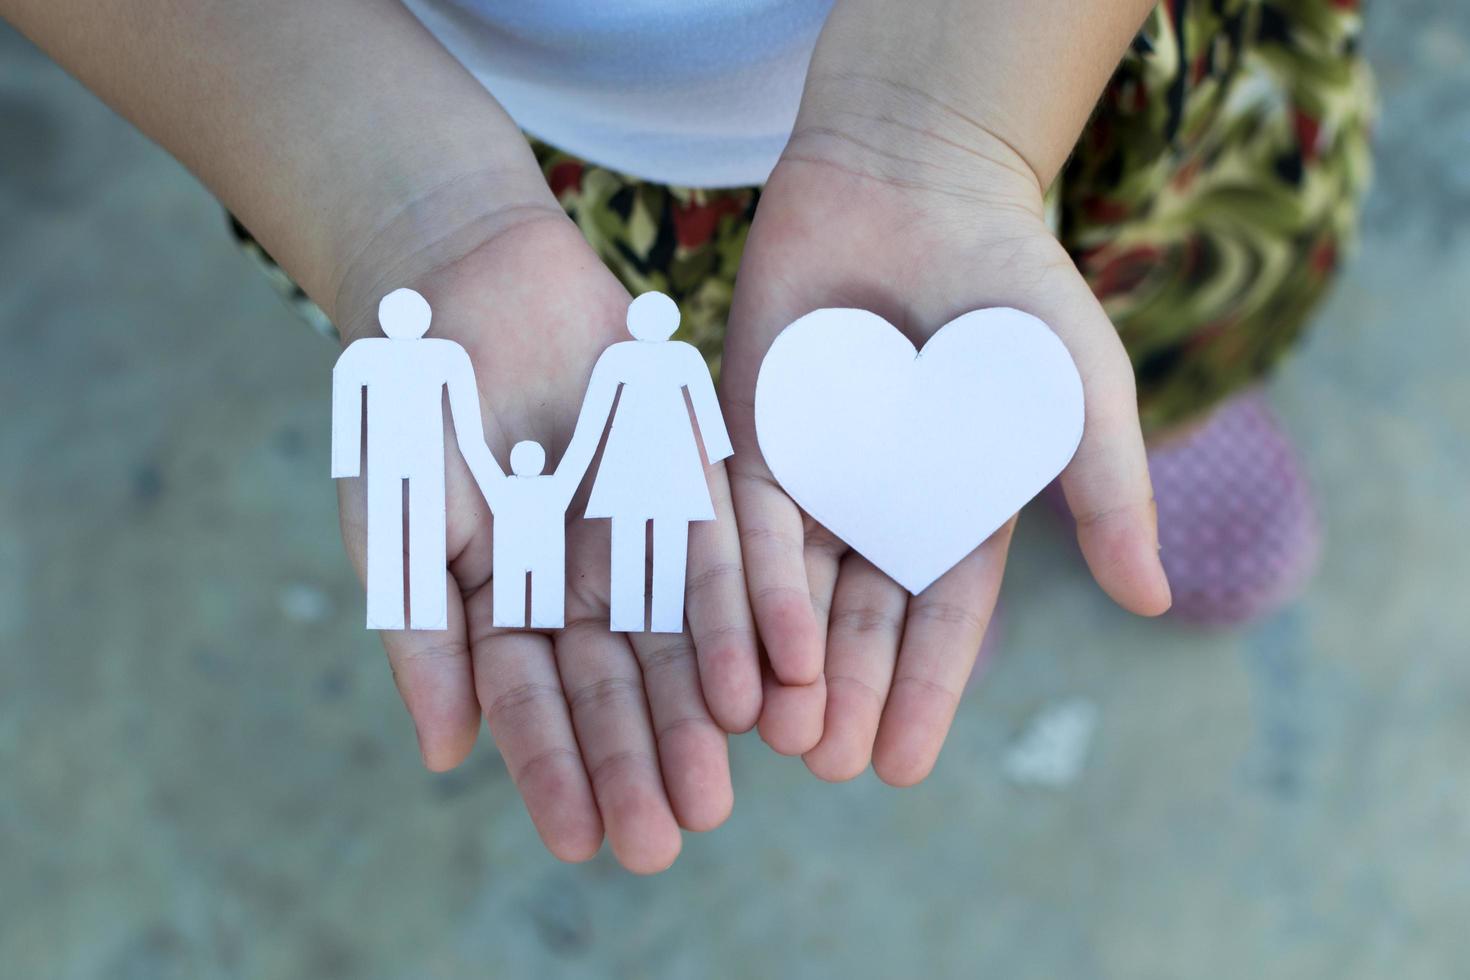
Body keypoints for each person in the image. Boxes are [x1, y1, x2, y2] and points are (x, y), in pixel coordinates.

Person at [2, 0, 1372, 873]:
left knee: (1123, 297)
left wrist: (951, 129)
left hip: (1046, 52)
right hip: (469, 139)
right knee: (741, 423)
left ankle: (1125, 408)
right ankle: (911, 493)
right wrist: (401, 209)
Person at [331, 288, 488, 631]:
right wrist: (344, 461)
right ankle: (400, 608)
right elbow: (345, 400)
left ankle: (425, 609)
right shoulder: (370, 355)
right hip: (398, 454)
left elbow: (465, 416)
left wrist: (478, 457)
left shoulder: (439, 355)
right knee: (405, 528)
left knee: (417, 527)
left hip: (417, 454)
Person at [577, 292, 733, 633]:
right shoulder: (623, 356)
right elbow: (596, 411)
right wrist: (719, 451)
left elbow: (705, 406)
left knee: (659, 529)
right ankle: (632, 612)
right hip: (636, 453)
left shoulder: (680, 357)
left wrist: (720, 449)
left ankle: (657, 614)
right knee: (643, 530)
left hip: (665, 453)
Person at [472, 433, 599, 630]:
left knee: (520, 611)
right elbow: (581, 450)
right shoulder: (554, 487)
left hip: (525, 555)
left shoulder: (505, 487)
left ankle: (523, 617)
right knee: (531, 611)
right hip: (536, 556)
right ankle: (528, 617)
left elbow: (476, 452)